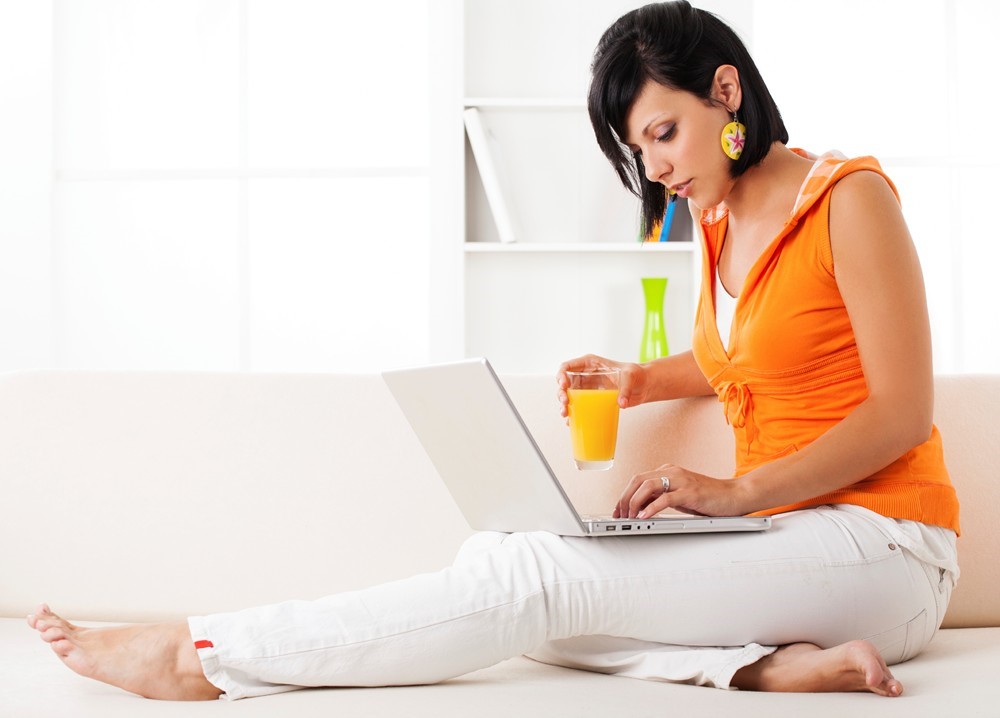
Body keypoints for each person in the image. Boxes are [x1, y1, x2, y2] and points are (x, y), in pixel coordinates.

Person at [28, 0, 958, 701]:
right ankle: (764, 671)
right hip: (789, 542)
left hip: (888, 549)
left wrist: (735, 493)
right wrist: (643, 378)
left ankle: (205, 656)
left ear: (725, 90)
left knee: (534, 585)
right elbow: (756, 357)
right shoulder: (715, 223)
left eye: (664, 133)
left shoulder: (849, 199)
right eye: (641, 150)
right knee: (508, 560)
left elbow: (900, 409)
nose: (659, 168)